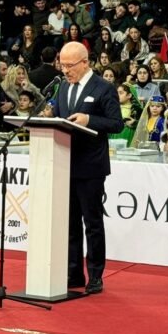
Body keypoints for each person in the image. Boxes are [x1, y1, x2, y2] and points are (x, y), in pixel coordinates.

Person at [54, 41, 123, 294]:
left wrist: (89, 119)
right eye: (62, 65)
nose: (65, 70)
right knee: (70, 223)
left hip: (91, 167)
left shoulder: (103, 88)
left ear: (85, 63)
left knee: (92, 223)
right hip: (64, 164)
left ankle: (95, 274)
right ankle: (73, 273)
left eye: (70, 65)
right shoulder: (62, 87)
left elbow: (116, 123)